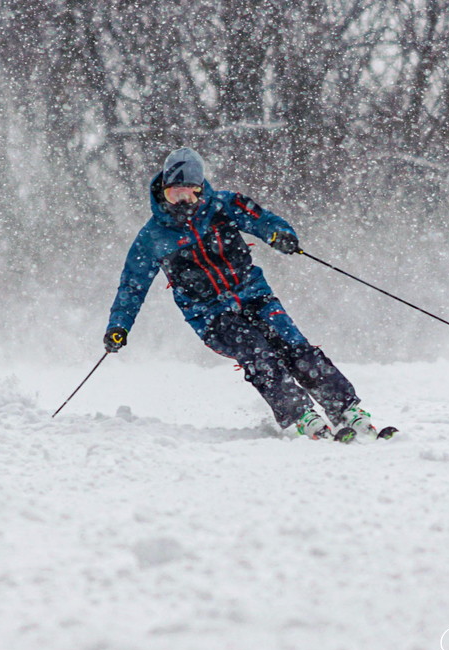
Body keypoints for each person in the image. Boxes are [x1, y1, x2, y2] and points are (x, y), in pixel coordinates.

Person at [104, 147, 378, 441]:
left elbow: (264, 221)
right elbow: (132, 286)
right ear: (162, 193)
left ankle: (346, 409)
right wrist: (119, 326)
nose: (182, 203)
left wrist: (280, 235)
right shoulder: (152, 237)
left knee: (294, 346)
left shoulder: (226, 205)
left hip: (254, 296)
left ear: (201, 190)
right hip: (209, 315)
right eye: (175, 195)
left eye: (189, 195)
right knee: (256, 351)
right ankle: (300, 415)